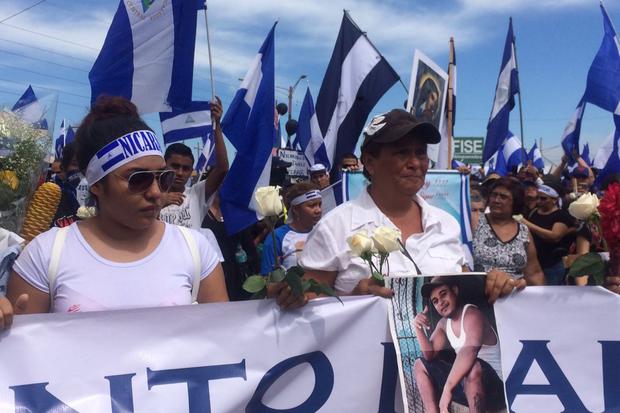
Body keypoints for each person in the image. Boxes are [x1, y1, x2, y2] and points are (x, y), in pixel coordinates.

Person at [2, 96, 229, 317]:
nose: (156, 192)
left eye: (163, 177)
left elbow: (223, 340)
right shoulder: (45, 254)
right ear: (96, 185)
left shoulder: (196, 250)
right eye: (138, 179)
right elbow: (22, 349)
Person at [294, 109, 518, 304]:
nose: (415, 163)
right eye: (402, 152)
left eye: (420, 152)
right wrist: (354, 299)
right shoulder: (334, 227)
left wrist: (489, 283)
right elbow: (307, 311)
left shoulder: (446, 224)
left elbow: (462, 286)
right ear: (370, 162)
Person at [413, 277, 505, 413]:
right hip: (466, 385)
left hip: (495, 389)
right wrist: (418, 327)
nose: (441, 303)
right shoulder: (443, 324)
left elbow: (469, 351)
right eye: (435, 301)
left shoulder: (472, 314)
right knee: (419, 365)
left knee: (472, 366)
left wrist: (447, 389)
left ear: (454, 291)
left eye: (443, 294)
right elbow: (429, 355)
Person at [159, 97, 228, 229]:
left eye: (185, 169)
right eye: (175, 166)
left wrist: (217, 126)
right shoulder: (150, 196)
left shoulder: (197, 194)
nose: (180, 173)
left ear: (191, 171)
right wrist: (159, 203)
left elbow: (222, 168)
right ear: (164, 165)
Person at [473, 177, 545, 285]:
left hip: (514, 298)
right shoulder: (475, 222)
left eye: (503, 197)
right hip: (478, 294)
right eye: (494, 195)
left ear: (515, 202)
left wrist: (544, 297)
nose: (496, 200)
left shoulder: (523, 231)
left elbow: (534, 273)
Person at [518, 180, 575, 285]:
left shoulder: (561, 216)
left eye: (543, 198)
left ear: (554, 200)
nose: (539, 201)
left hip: (552, 265)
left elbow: (555, 236)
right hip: (534, 265)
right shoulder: (534, 212)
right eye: (538, 198)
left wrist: (527, 224)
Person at [261, 182, 322, 274]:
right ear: (296, 210)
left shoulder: (323, 231)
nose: (318, 210)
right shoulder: (277, 238)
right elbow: (267, 282)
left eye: (319, 205)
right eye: (311, 206)